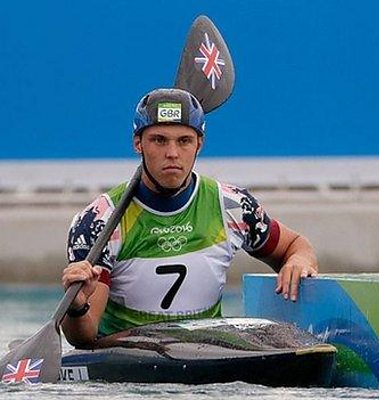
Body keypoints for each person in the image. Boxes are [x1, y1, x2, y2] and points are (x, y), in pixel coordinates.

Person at [61, 88, 318, 347]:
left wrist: (299, 261)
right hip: (128, 357)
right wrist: (77, 307)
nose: (172, 153)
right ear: (138, 144)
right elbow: (83, 338)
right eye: (159, 140)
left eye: (184, 141)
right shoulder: (98, 221)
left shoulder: (233, 206)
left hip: (207, 353)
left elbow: (296, 245)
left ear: (199, 144)